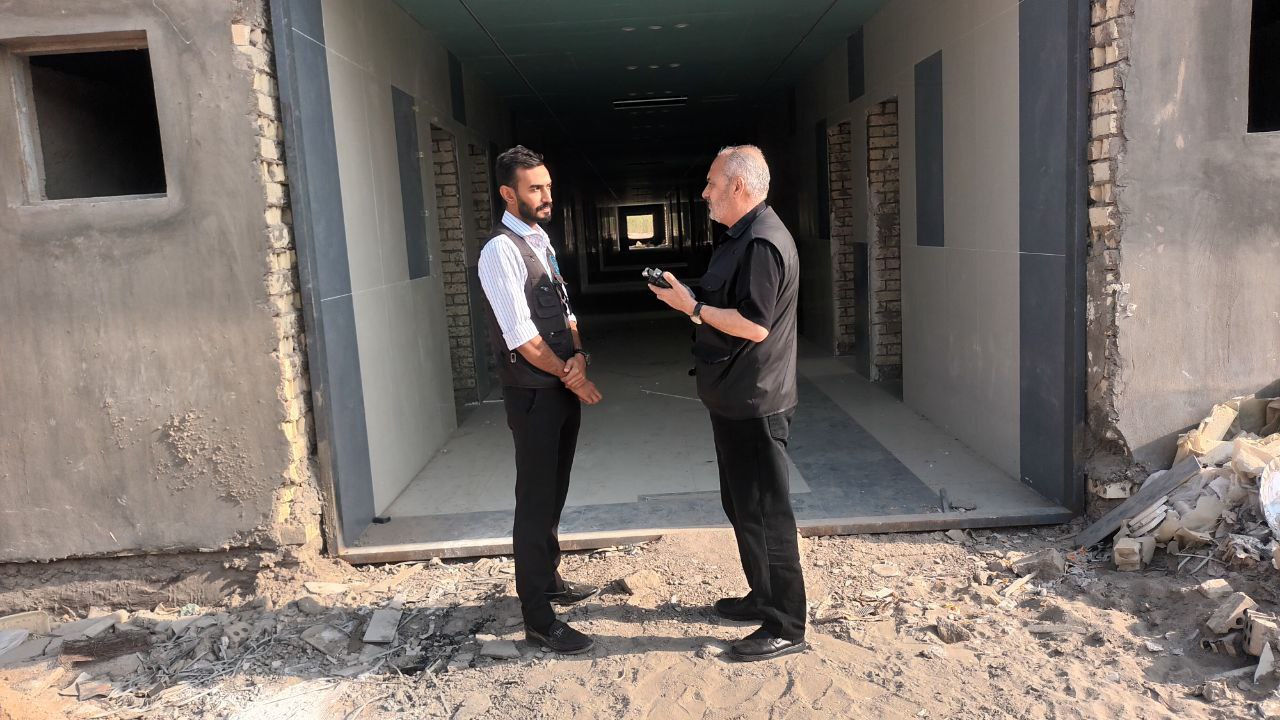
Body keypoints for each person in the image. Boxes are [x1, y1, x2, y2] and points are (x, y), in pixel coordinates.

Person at [648, 145, 807, 661]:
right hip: (734, 399)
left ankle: (785, 625)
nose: (705, 193)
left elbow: (754, 325)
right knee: (742, 506)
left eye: (713, 183)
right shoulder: (742, 237)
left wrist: (693, 307)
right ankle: (762, 597)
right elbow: (729, 305)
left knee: (766, 514)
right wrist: (689, 300)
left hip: (756, 402)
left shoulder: (762, 242)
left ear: (738, 186)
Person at [478, 145, 603, 654]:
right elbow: (521, 337)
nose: (547, 195)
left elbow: (565, 311)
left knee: (554, 491)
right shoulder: (500, 251)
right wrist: (573, 378)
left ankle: (549, 580)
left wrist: (580, 356)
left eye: (548, 185)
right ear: (509, 194)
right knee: (534, 502)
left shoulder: (541, 241)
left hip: (558, 387)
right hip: (533, 396)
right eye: (536, 188)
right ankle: (537, 617)